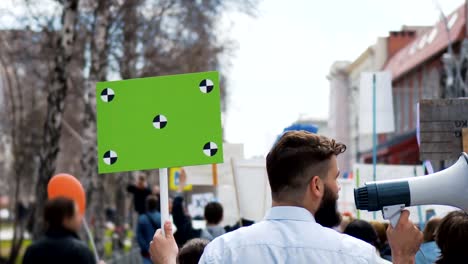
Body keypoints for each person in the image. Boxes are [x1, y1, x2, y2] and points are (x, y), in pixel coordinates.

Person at [150, 131, 423, 264]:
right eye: (335, 178)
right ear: (316, 186)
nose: (339, 189)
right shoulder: (356, 255)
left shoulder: (224, 252)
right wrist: (403, 254)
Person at [23, 197, 97, 264]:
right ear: (65, 219)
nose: (80, 218)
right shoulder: (80, 251)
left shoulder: (32, 251)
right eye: (76, 214)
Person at [137, 195, 161, 264]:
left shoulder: (142, 218)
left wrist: (147, 249)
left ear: (147, 205)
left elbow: (139, 236)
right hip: (159, 252)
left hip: (146, 254)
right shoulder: (161, 217)